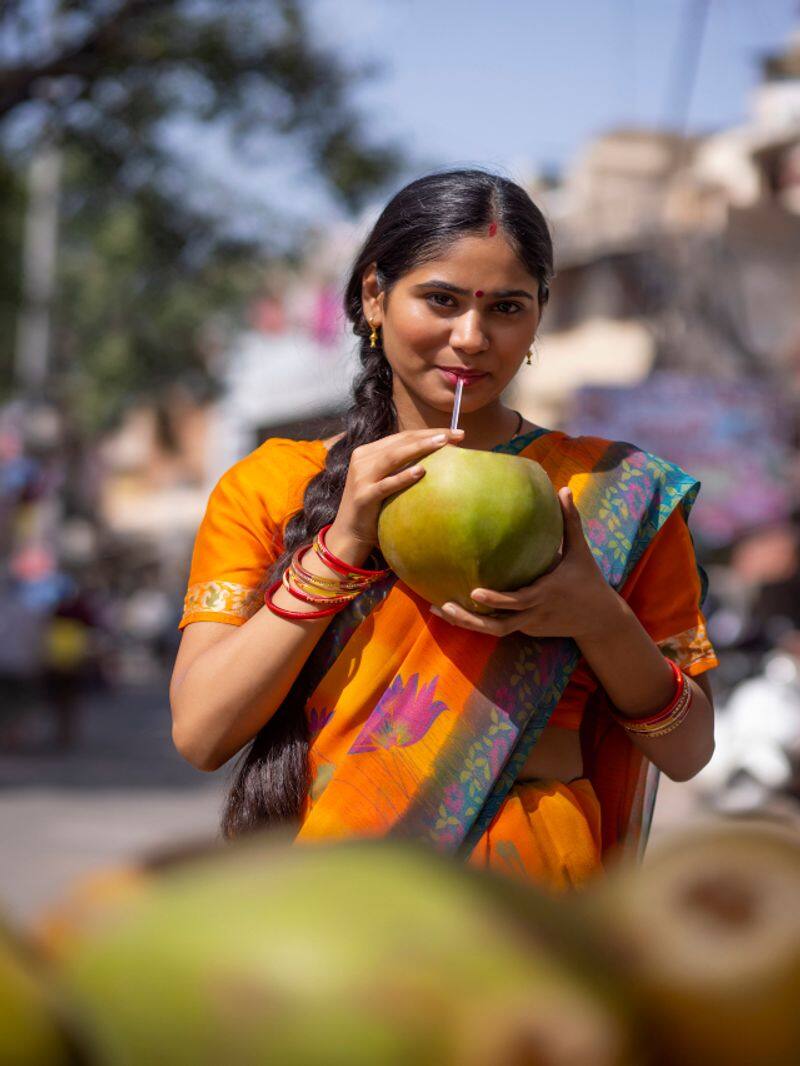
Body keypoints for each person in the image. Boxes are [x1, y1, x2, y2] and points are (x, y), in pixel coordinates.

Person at [170, 168, 718, 894]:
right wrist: (339, 548)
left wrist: (598, 617)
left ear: (538, 320)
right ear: (375, 297)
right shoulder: (273, 486)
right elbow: (203, 733)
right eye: (441, 299)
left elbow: (689, 753)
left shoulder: (614, 491)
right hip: (336, 900)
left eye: (507, 308)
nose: (472, 337)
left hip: (537, 903)